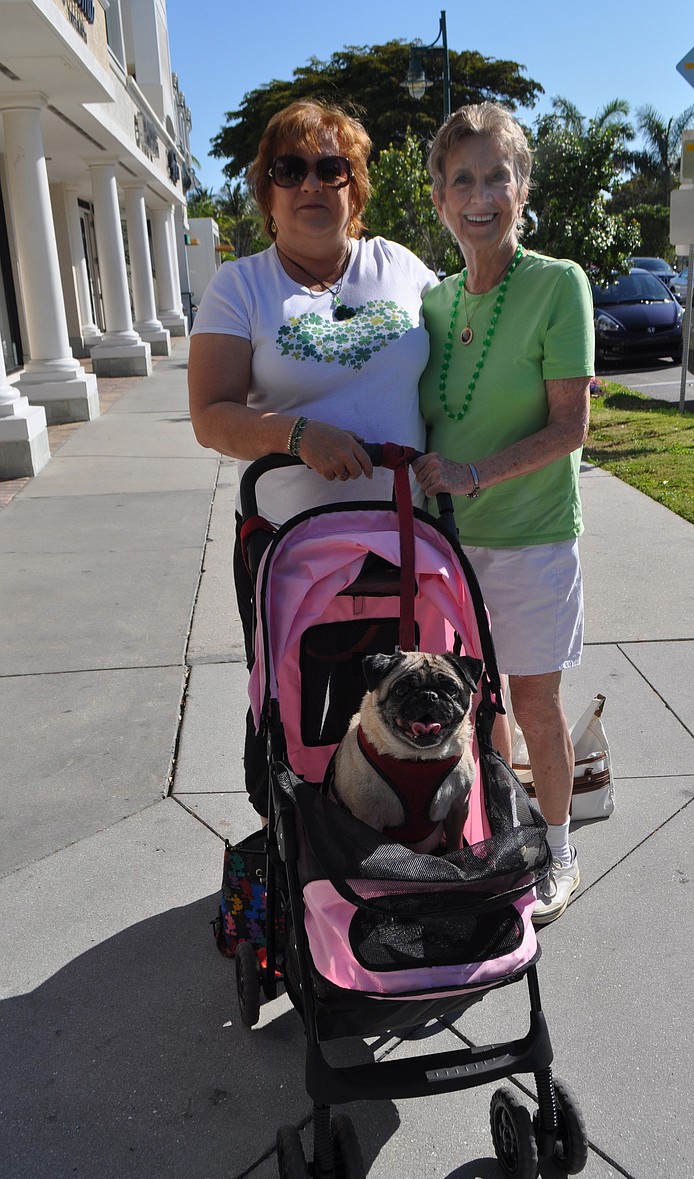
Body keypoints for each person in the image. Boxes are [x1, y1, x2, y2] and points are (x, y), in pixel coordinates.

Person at [188, 101, 437, 818]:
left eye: (333, 169)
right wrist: (298, 435)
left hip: (409, 541)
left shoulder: (402, 268)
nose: (312, 185)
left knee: (408, 714)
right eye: (289, 170)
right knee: (300, 708)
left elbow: (466, 361)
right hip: (295, 554)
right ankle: (302, 848)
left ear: (355, 188)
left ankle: (402, 852)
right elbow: (212, 416)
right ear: (266, 193)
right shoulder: (241, 287)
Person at [412, 103, 594, 927]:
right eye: (463, 180)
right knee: (473, 710)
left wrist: (472, 474)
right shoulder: (436, 302)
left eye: (497, 176)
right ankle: (495, 836)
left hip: (531, 542)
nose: (480, 195)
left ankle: (557, 847)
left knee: (535, 707)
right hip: (449, 549)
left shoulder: (560, 283)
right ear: (441, 199)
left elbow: (570, 427)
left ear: (523, 186)